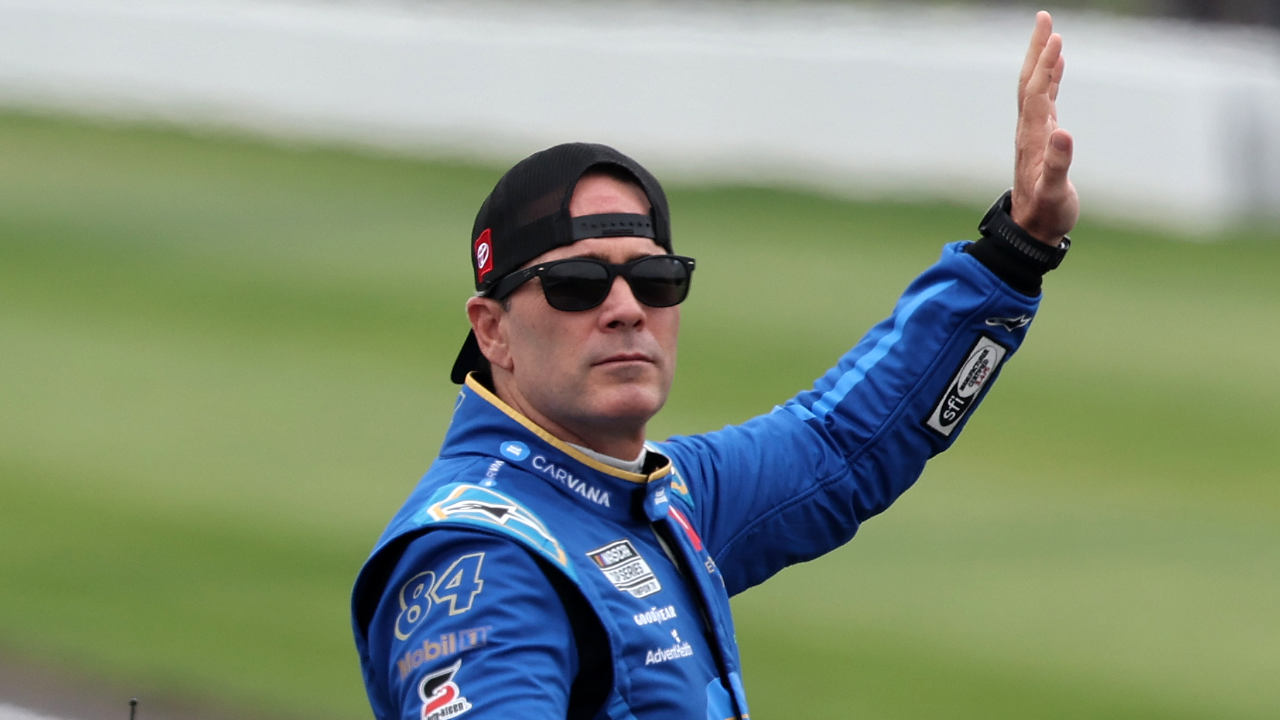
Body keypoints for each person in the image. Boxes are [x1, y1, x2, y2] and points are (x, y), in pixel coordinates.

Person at [351, 11, 1077, 720]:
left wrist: (1016, 249)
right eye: (579, 285)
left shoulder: (655, 495)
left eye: (657, 278)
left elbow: (839, 445)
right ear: (493, 332)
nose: (627, 308)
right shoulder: (481, 563)